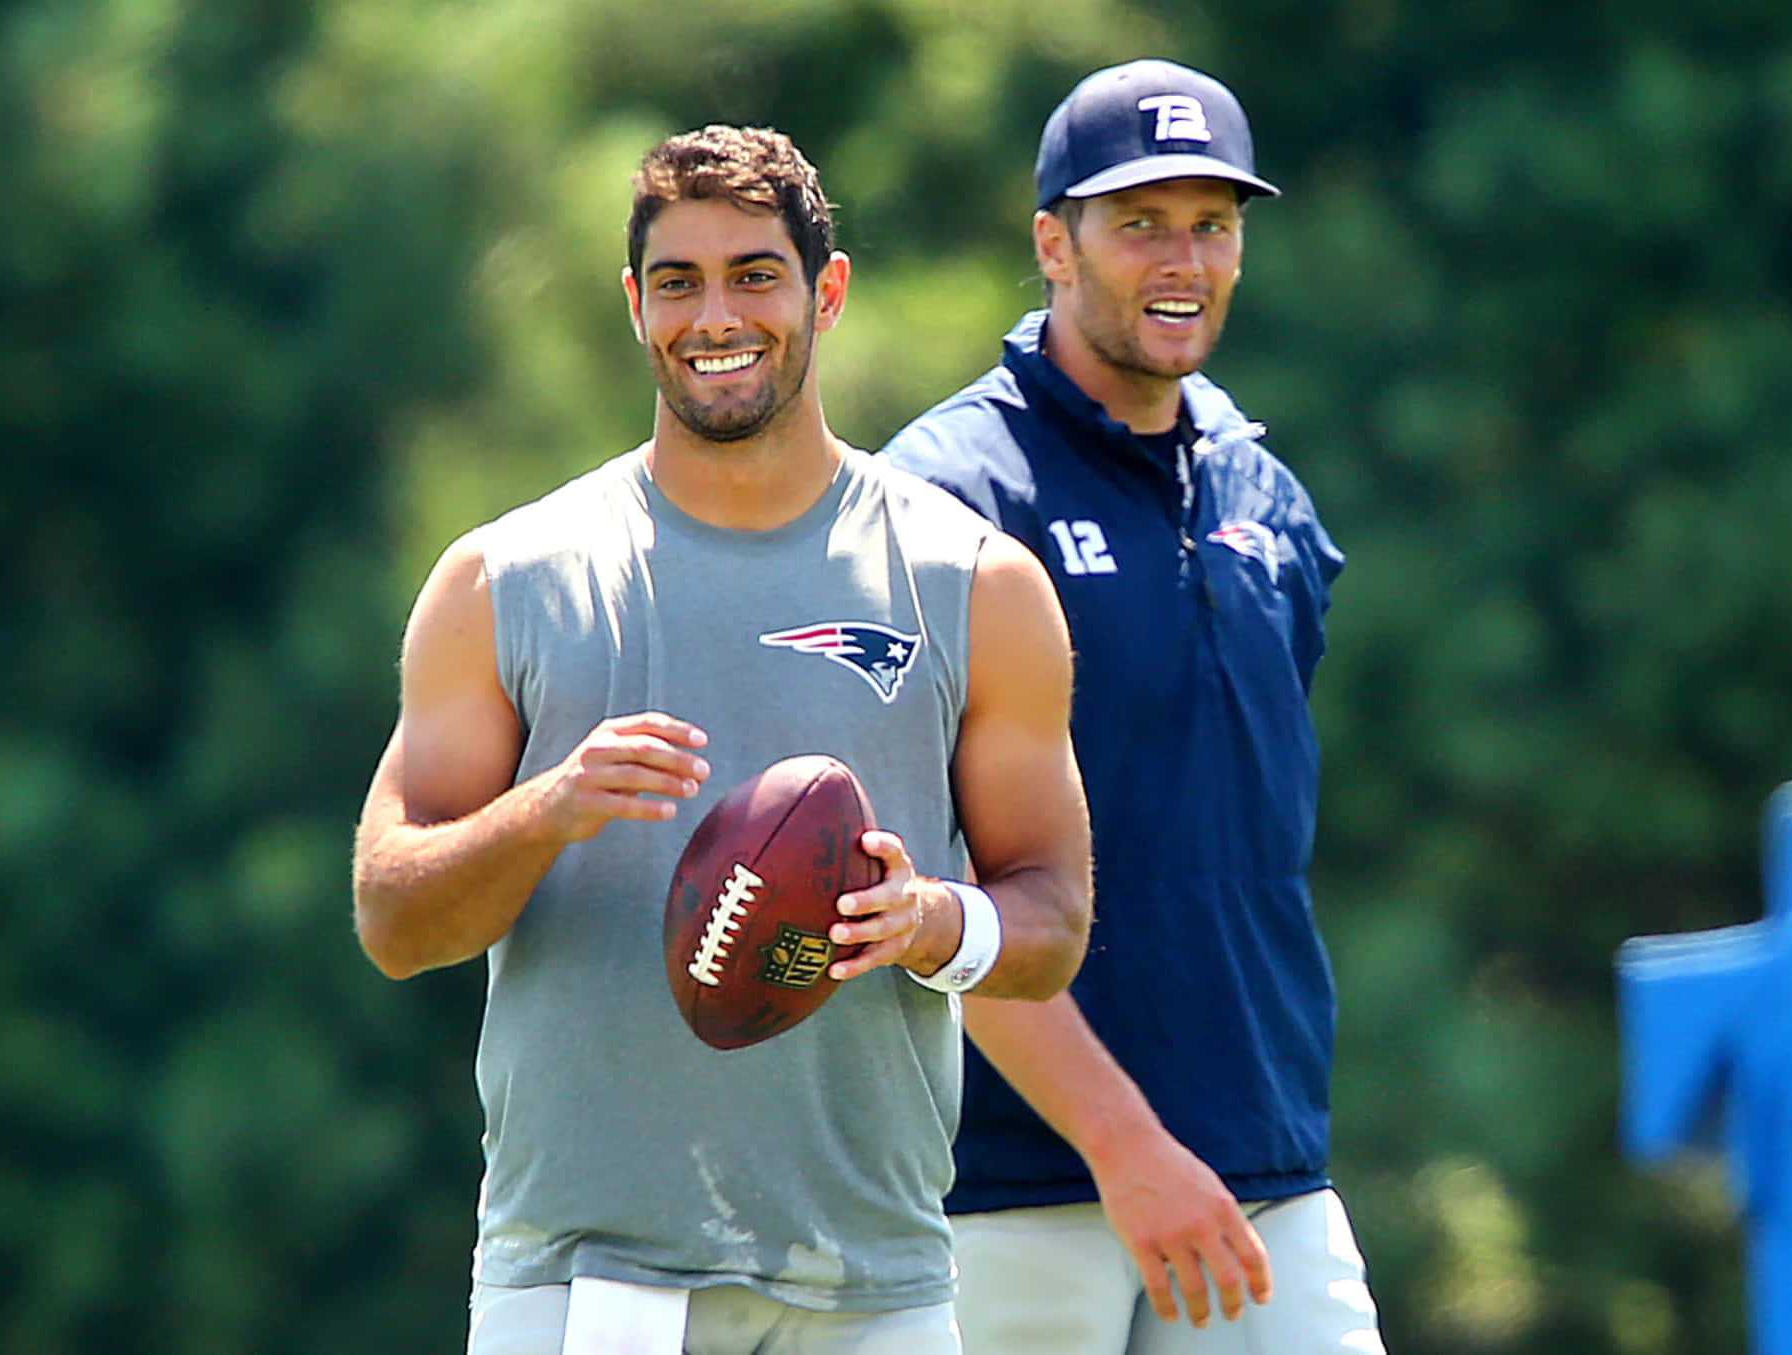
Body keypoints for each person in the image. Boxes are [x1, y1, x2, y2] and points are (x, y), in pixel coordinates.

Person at [352, 124, 1093, 1355]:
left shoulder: (975, 580)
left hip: (876, 1282)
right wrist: (548, 809)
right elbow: (393, 917)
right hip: (582, 1277)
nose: (718, 316)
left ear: (828, 292)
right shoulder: (508, 576)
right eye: (680, 281)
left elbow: (1053, 920)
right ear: (635, 304)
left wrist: (934, 924)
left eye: (756, 273)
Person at [883, 60, 1385, 1353]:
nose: (1186, 257)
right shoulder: (949, 495)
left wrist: (1181, 1152)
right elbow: (912, 882)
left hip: (1259, 1166)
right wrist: (1123, 1139)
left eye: (1213, 223)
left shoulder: (1261, 487)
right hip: (1006, 1190)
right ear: (1054, 242)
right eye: (1140, 221)